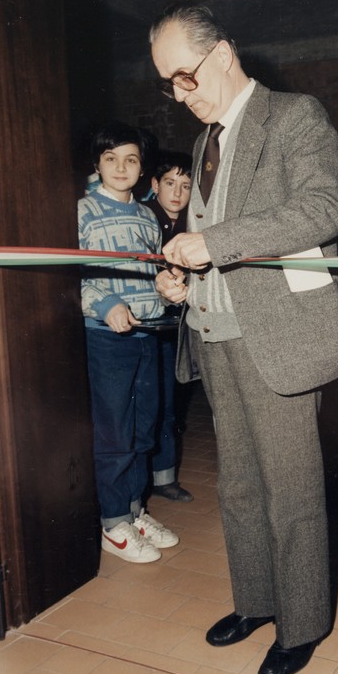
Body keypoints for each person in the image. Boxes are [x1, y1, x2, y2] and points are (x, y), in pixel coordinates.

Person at [149, 4, 338, 674]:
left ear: (221, 55)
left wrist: (211, 243)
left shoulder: (295, 116)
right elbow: (208, 235)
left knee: (291, 489)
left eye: (184, 77)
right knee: (239, 485)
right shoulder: (203, 144)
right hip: (215, 334)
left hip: (278, 335)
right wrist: (184, 279)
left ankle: (302, 623)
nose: (179, 95)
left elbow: (323, 209)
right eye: (169, 84)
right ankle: (255, 601)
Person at [79, 121, 180, 564]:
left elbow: (149, 273)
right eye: (111, 158)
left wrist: (167, 288)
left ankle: (136, 510)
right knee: (115, 432)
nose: (121, 167)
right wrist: (106, 305)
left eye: (131, 159)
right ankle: (114, 521)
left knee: (143, 428)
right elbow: (73, 276)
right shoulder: (83, 211)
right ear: (97, 163)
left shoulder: (146, 216)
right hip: (107, 339)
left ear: (143, 169)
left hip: (147, 335)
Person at [145, 151, 195, 503]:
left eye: (186, 186)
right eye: (170, 183)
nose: (177, 193)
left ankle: (164, 477)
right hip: (147, 324)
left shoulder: (194, 224)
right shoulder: (143, 218)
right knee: (150, 404)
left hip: (178, 325)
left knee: (169, 403)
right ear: (155, 184)